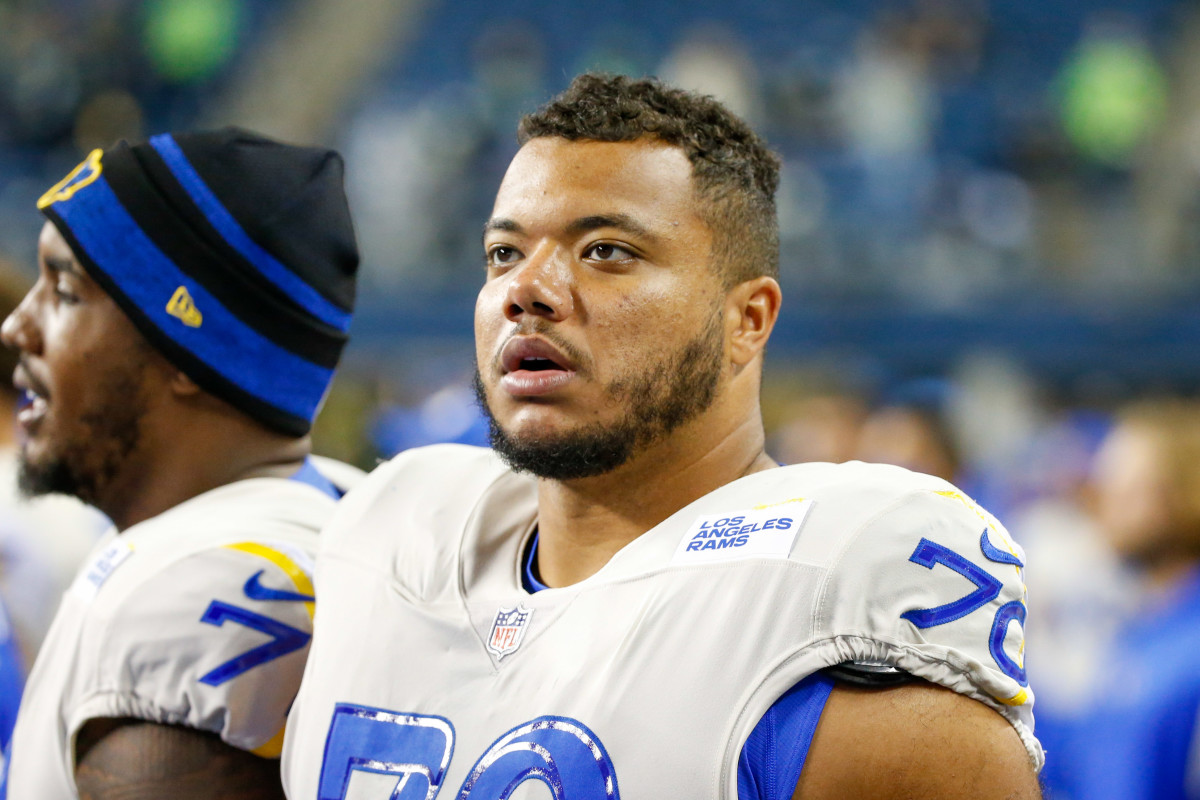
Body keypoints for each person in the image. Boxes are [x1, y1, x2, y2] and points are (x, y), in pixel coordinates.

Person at [282, 74, 1042, 799]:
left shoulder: (822, 609)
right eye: (504, 253)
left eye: (606, 250)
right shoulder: (386, 537)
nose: (527, 292)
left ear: (747, 321)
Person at [2, 127, 362, 800]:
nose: (17, 328)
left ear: (185, 345)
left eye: (65, 291)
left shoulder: (193, 589)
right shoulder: (345, 505)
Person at [1043, 398, 1200, 800]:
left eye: (1123, 484)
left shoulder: (1187, 644)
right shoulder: (1138, 627)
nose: (1102, 501)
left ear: (1181, 491)